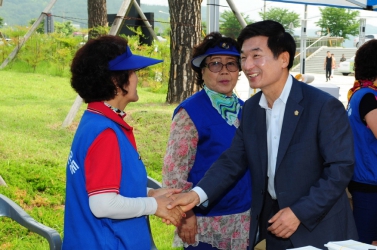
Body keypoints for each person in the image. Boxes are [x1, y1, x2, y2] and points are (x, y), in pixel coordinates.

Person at [167, 20, 358, 250]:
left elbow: (340, 168)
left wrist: (299, 212)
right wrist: (196, 195)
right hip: (273, 227)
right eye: (244, 58)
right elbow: (232, 161)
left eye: (256, 56)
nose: (248, 66)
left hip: (319, 228)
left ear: (284, 59)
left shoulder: (322, 106)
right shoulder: (250, 109)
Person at [62, 35, 184, 249]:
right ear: (116, 82)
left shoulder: (94, 120)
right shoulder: (105, 133)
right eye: (133, 72)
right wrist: (153, 205)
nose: (137, 78)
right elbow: (102, 204)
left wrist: (149, 193)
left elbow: (105, 185)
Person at [162, 32, 251, 250]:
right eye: (215, 64)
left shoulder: (247, 109)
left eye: (231, 64)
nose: (224, 71)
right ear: (202, 71)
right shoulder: (190, 112)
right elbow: (174, 171)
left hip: (244, 219)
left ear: (239, 71)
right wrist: (186, 214)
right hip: (205, 222)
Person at [347, 39, 377, 246]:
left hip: (364, 178)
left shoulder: (358, 93)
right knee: (365, 242)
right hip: (370, 182)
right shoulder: (368, 97)